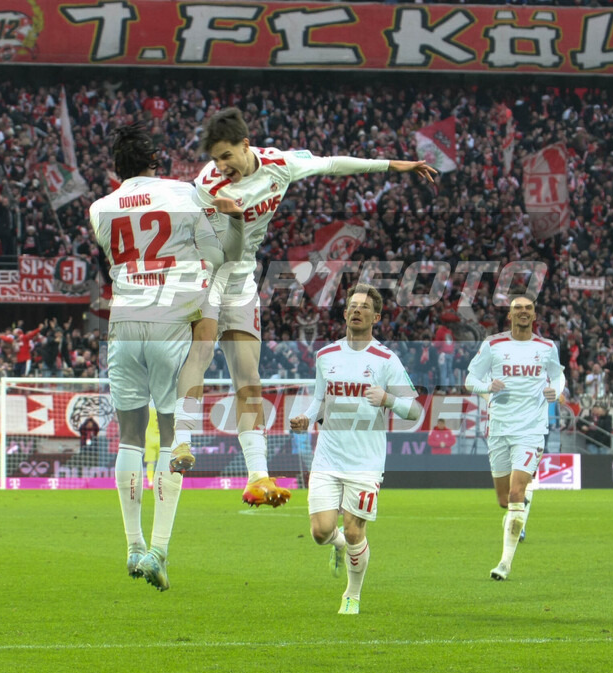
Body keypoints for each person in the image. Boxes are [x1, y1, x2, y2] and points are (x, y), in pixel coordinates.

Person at [173, 106, 437, 508]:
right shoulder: (207, 187)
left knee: (249, 377)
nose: (221, 166)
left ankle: (258, 476)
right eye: (214, 159)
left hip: (242, 278)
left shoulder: (280, 163)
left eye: (226, 156)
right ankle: (181, 443)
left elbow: (334, 164)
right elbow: (205, 237)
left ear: (246, 145)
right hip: (205, 272)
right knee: (204, 350)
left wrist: (394, 166)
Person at [88, 123, 236, 591]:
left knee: (130, 436)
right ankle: (159, 549)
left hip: (123, 323)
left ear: (118, 169)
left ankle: (131, 547)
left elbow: (113, 259)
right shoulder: (183, 192)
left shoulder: (100, 208)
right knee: (172, 435)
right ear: (155, 162)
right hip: (169, 318)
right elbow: (216, 252)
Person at [290, 284, 420, 615]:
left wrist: (388, 400)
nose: (357, 310)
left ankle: (352, 593)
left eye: (364, 306)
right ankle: (338, 548)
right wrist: (307, 417)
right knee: (320, 532)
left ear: (376, 317)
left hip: (365, 462)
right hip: (328, 457)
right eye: (352, 305)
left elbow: (415, 410)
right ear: (346, 313)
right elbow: (320, 399)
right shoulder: (325, 355)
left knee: (353, 530)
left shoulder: (387, 360)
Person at [465, 296, 566, 581]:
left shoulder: (546, 348)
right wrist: (488, 385)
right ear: (509, 315)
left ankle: (504, 564)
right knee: (503, 500)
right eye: (518, 308)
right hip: (499, 428)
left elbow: (559, 377)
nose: (523, 312)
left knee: (515, 494)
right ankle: (523, 505)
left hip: (532, 428)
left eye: (528, 308)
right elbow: (470, 380)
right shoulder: (493, 345)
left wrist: (554, 391)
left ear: (534, 315)